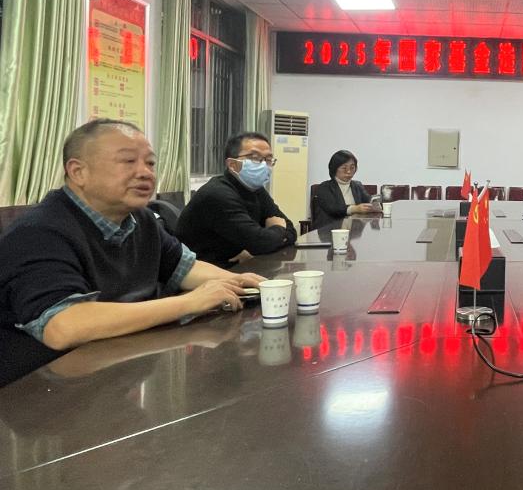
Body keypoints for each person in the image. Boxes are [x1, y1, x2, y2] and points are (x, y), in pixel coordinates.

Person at [0, 119, 264, 371]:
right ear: (78, 172)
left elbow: (184, 268)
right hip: (46, 384)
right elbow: (64, 326)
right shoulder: (38, 232)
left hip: (120, 364)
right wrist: (189, 303)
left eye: (150, 163)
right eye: (128, 161)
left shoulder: (141, 219)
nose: (145, 173)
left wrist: (239, 283)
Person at [177, 131, 297, 269]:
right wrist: (278, 229)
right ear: (232, 164)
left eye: (268, 159)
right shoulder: (217, 194)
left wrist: (262, 242)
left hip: (239, 266)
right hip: (205, 271)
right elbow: (260, 242)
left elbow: (291, 230)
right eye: (255, 158)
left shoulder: (256, 189)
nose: (264, 165)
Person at [311, 149, 376, 229]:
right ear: (334, 169)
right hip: (330, 231)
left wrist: (375, 203)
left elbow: (369, 201)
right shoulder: (324, 187)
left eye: (352, 168)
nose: (348, 171)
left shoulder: (357, 186)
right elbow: (333, 209)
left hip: (354, 231)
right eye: (344, 168)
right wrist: (355, 208)